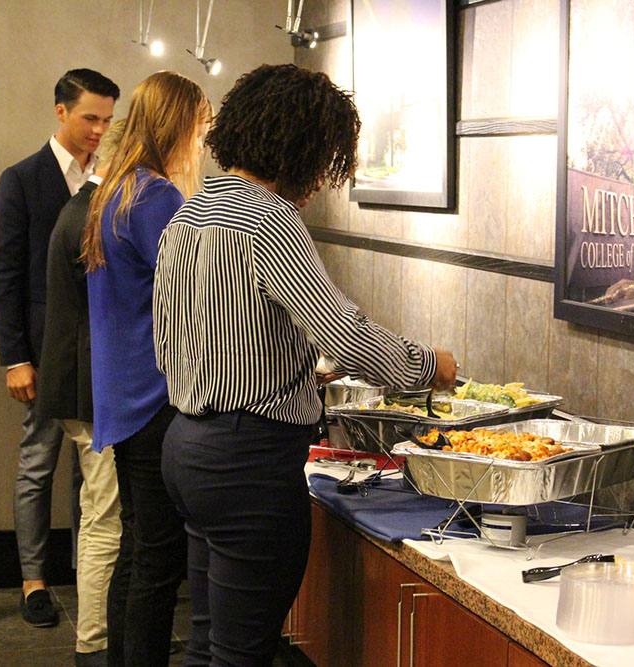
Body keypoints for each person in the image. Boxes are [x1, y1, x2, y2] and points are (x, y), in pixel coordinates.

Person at [154, 63, 458, 666]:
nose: (322, 179)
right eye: (325, 159)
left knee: (209, 645)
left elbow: (193, 335)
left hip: (186, 447)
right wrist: (430, 365)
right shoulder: (270, 222)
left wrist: (289, 367)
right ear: (301, 148)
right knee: (242, 655)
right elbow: (345, 337)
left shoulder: (189, 214)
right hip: (249, 465)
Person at [81, 71, 211, 666]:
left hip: (119, 393)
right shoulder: (157, 197)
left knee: (137, 552)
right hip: (152, 396)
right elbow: (199, 293)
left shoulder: (114, 189)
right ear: (178, 127)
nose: (203, 140)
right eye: (200, 127)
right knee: (157, 561)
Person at [0, 68, 119, 628]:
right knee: (38, 463)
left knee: (90, 469)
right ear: (61, 111)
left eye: (108, 120)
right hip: (43, 350)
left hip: (100, 347)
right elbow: (5, 278)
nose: (99, 130)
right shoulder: (21, 179)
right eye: (90, 117)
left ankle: (81, 571)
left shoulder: (114, 179)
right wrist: (15, 357)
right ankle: (33, 580)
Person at [35, 119, 126, 667]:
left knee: (98, 511)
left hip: (79, 386)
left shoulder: (85, 207)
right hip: (89, 389)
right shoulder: (97, 213)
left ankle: (99, 637)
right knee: (104, 517)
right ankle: (95, 641)